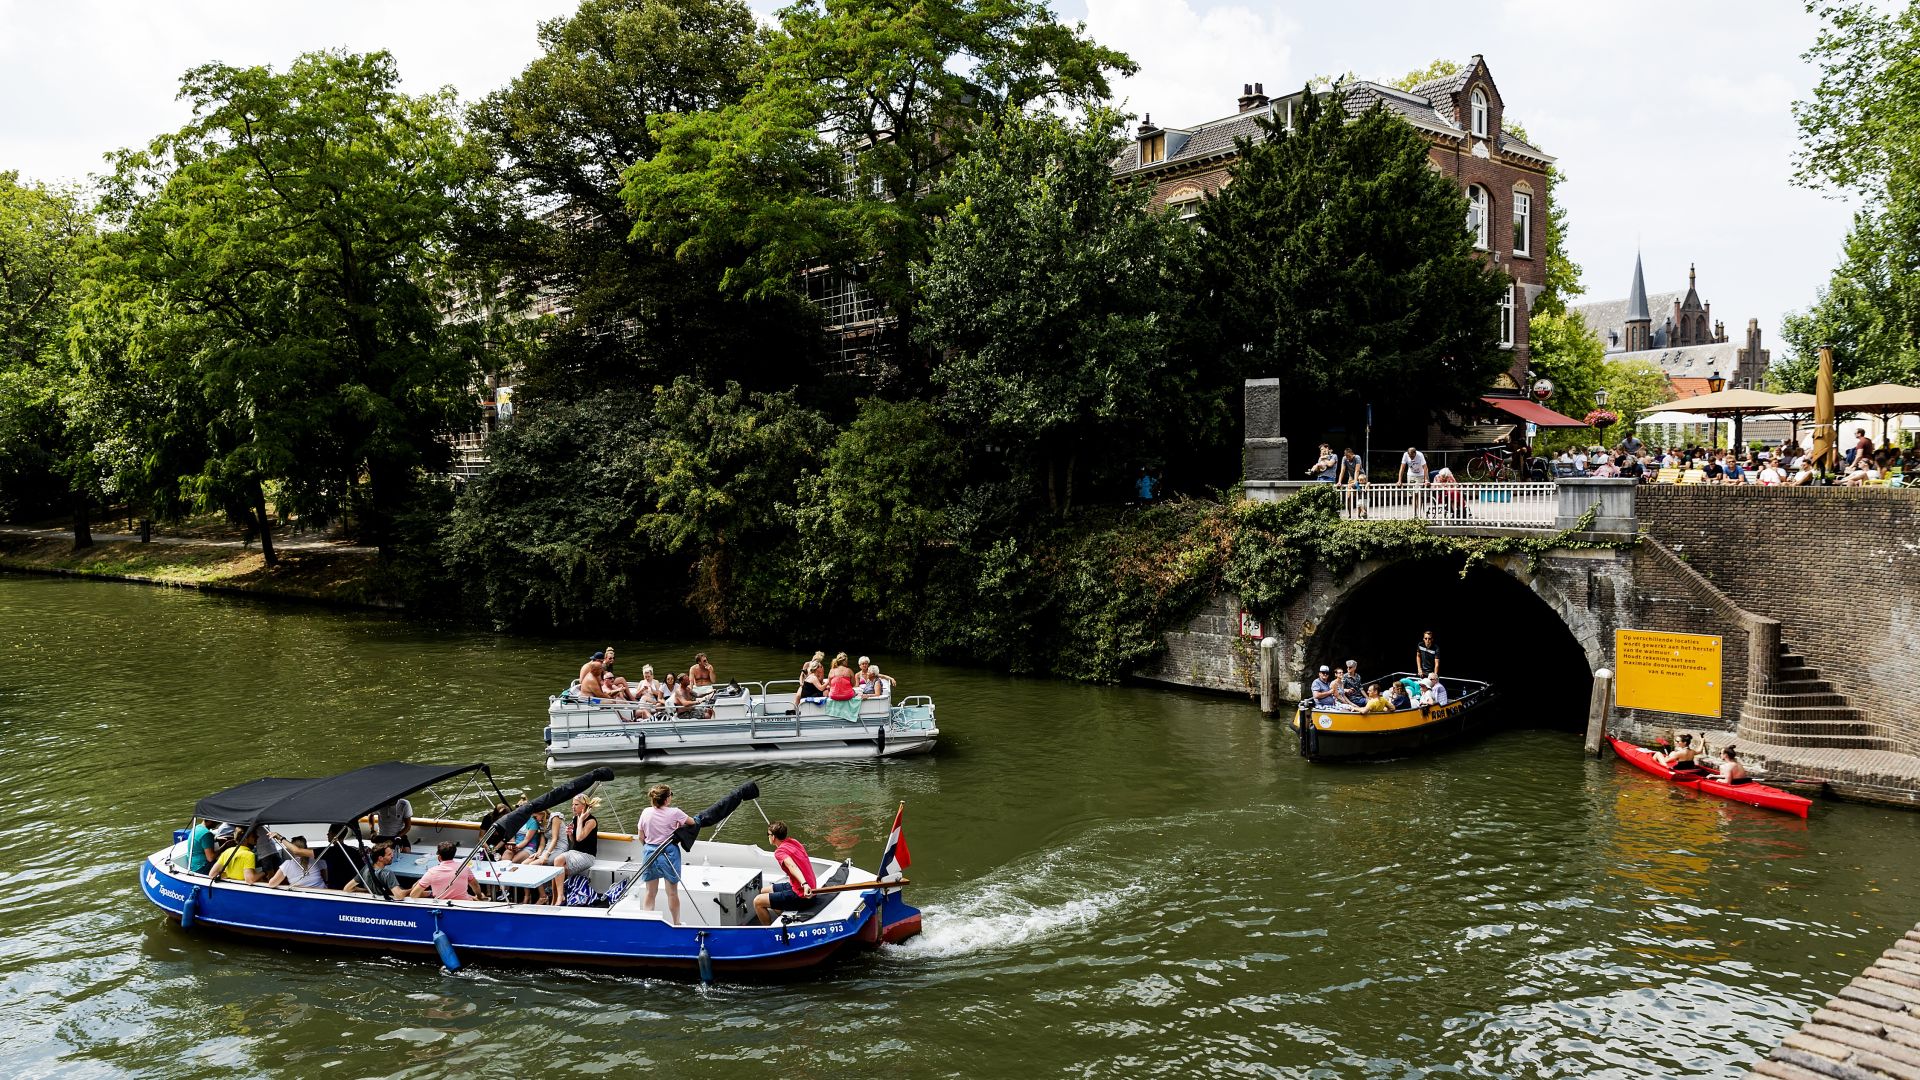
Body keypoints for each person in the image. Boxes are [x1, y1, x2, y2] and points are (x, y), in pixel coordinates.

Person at [636, 785, 691, 922]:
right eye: (671, 794)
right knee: (672, 893)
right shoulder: (675, 813)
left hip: (650, 852)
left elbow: (641, 837)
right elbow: (692, 822)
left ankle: (648, 922)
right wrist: (678, 827)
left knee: (650, 892)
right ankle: (676, 923)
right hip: (669, 853)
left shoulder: (646, 812)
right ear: (666, 799)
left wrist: (650, 846)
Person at [754, 820, 818, 925]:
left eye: (768, 834)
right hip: (801, 887)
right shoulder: (794, 842)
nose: (768, 837)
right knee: (763, 891)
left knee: (757, 901)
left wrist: (804, 884)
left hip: (802, 895)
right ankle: (783, 918)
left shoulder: (779, 852)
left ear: (773, 837)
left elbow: (792, 866)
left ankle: (769, 930)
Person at [552, 794, 601, 906]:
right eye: (572, 804)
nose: (573, 807)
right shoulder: (576, 818)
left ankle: (558, 897)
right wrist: (570, 834)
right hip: (574, 852)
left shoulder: (591, 821)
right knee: (557, 864)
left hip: (587, 855)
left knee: (558, 869)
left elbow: (579, 837)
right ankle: (558, 897)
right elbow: (575, 842)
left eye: (576, 805)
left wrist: (581, 820)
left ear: (584, 807)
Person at [409, 840, 478, 901]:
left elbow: (413, 895)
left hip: (441, 904)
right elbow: (475, 885)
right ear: (453, 855)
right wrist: (480, 896)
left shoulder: (431, 872)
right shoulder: (465, 868)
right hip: (464, 902)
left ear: (439, 857)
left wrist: (418, 882)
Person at [342, 842, 408, 899]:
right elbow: (399, 896)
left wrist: (368, 890)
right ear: (380, 858)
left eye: (392, 853)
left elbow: (347, 888)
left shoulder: (366, 868)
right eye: (389, 854)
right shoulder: (388, 874)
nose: (392, 856)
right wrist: (411, 889)